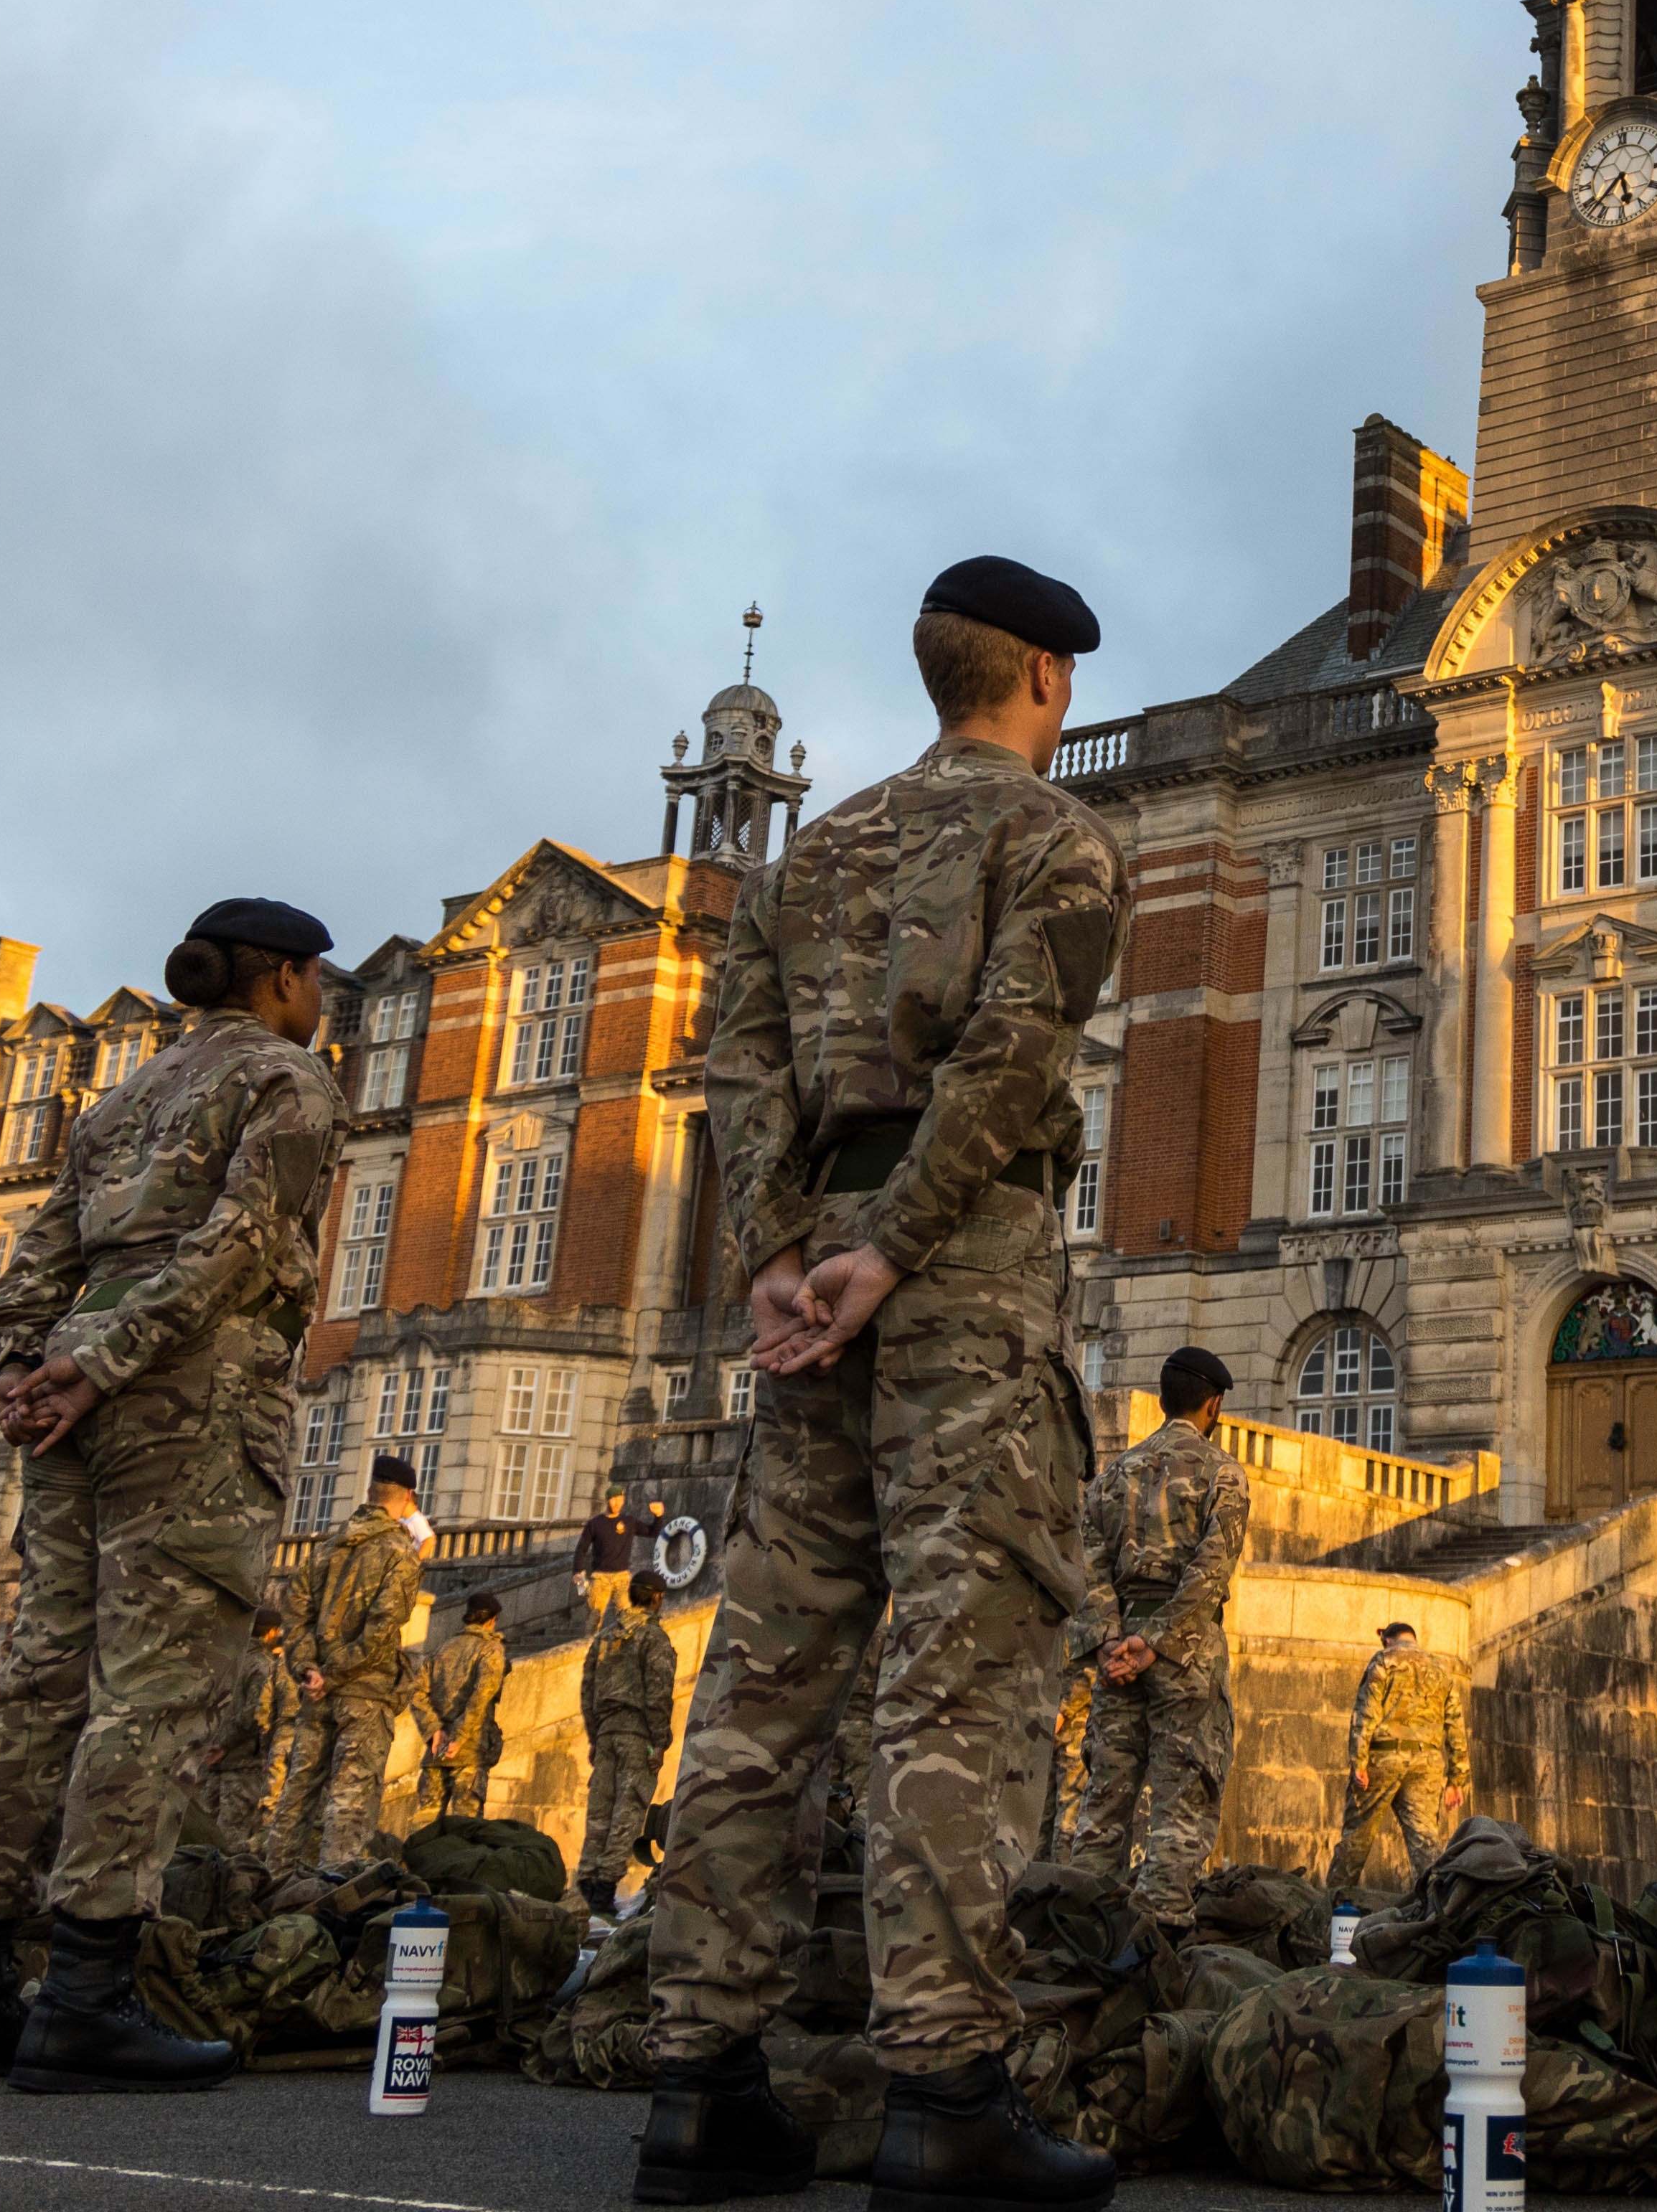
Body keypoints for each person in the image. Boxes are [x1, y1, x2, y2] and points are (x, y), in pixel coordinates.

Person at [637, 556, 1126, 2212]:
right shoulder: (1051, 840)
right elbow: (1009, 1061)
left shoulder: (816, 854)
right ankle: (945, 2085)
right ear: (1045, 680)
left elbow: (740, 1069)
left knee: (766, 1674)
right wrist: (901, 1245)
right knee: (958, 1664)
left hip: (811, 1287)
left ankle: (698, 2082)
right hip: (957, 1274)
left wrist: (784, 1249)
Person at [0, 893, 345, 2094]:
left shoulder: (124, 1099)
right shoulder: (288, 1082)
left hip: (76, 1400)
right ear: (288, 980)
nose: (322, 1002)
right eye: (318, 981)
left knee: (35, 1687)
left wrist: (23, 1372)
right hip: (188, 1397)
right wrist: (104, 1361)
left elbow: (32, 1262)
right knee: (152, 1692)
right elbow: (247, 1236)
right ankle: (87, 1994)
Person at [1067, 1347, 1253, 1929]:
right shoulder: (1222, 1473)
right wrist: (1156, 1641)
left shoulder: (1112, 1475)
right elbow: (1211, 1569)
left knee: (1105, 1799)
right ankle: (1160, 1932)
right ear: (1214, 1404)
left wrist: (1109, 1642)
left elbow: (1087, 1564)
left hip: (1118, 1652)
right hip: (1184, 1655)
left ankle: (1081, 1926)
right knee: (1182, 1797)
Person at [283, 1453, 432, 1870]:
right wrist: (331, 1676)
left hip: (317, 1692)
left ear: (369, 1492)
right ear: (408, 1499)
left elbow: (294, 1612)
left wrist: (309, 1669)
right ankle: (331, 1905)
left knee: (296, 1801)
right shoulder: (400, 1553)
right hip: (363, 1695)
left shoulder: (329, 1546)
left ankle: (271, 1892)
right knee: (350, 1807)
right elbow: (382, 1633)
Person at [1327, 1620, 1473, 1899]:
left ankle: (1332, 1912)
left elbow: (1365, 1714)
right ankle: (1438, 1910)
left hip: (1384, 1757)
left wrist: (1359, 1761)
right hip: (1427, 1763)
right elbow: (1456, 1727)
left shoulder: (1384, 1660)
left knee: (1356, 1840)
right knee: (1426, 1844)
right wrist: (1457, 1780)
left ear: (1387, 1639)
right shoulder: (1440, 1669)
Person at [577, 1561, 677, 1905]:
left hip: (605, 1734)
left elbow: (587, 1690)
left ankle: (587, 1884)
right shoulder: (654, 1637)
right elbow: (658, 1694)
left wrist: (594, 1736)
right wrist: (659, 1743)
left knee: (599, 1813)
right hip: (637, 1736)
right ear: (657, 1599)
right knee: (628, 1812)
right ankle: (605, 1888)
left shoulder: (603, 1638)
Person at [197, 1617, 291, 1855]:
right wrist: (225, 1744)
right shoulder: (262, 1665)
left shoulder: (222, 1660)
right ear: (270, 1632)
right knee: (231, 1844)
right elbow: (257, 1713)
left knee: (200, 1839)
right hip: (241, 1766)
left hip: (209, 1762)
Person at [419, 1590, 508, 1826]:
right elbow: (481, 1697)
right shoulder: (491, 1650)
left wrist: (434, 1730)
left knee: (425, 1834)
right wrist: (458, 1737)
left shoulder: (444, 1648)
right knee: (465, 1832)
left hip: (435, 1753)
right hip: (469, 1753)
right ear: (492, 1620)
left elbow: (417, 1693)